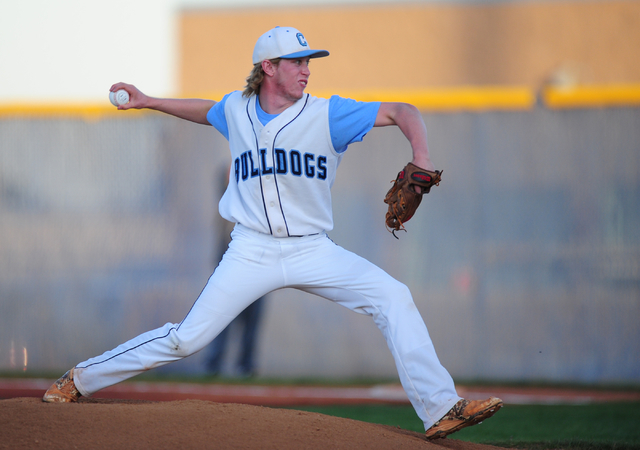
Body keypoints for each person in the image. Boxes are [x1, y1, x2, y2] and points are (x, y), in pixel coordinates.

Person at [43, 26, 502, 439]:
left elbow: (404, 111)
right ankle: (79, 379)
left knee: (393, 296)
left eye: (309, 62)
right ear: (268, 67)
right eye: (297, 62)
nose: (306, 70)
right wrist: (149, 101)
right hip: (250, 250)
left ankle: (441, 408)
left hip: (313, 249)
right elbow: (207, 110)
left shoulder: (328, 115)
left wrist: (422, 156)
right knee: (186, 338)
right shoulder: (237, 110)